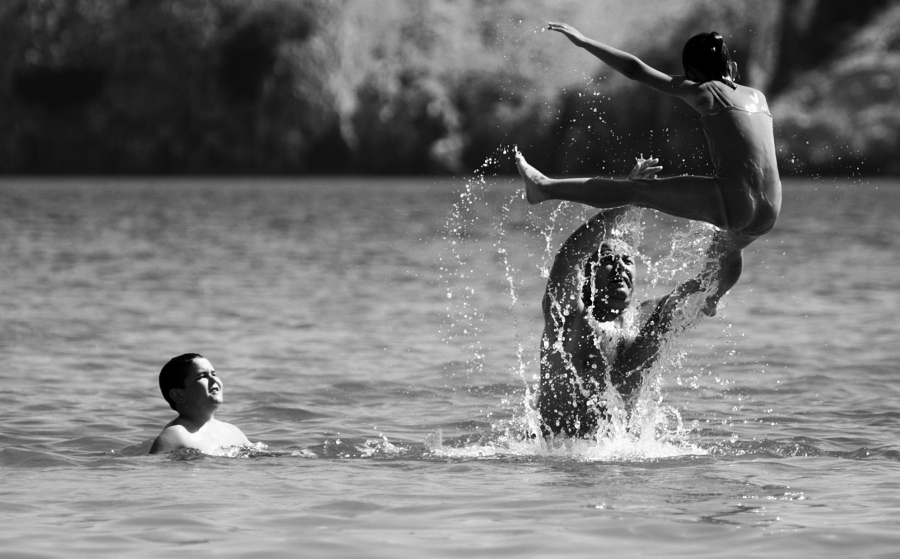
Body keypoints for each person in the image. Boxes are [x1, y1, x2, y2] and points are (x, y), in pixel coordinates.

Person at [518, 25, 781, 313]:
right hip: (771, 208)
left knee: (636, 191)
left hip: (735, 198)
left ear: (692, 75)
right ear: (731, 67)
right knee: (729, 248)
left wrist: (584, 42)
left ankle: (544, 187)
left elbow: (635, 69)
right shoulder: (758, 96)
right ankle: (712, 298)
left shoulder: (705, 91)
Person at [535, 159, 740, 438]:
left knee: (662, 324)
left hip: (620, 462)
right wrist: (630, 200)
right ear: (587, 273)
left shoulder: (646, 319)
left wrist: (736, 234)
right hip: (558, 451)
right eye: (608, 260)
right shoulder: (568, 317)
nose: (620, 267)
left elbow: (711, 281)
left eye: (627, 260)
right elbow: (568, 256)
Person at [149, 353, 251, 455]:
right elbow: (154, 467)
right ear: (178, 395)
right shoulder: (176, 435)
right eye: (202, 376)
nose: (213, 379)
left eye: (214, 374)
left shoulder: (232, 431)